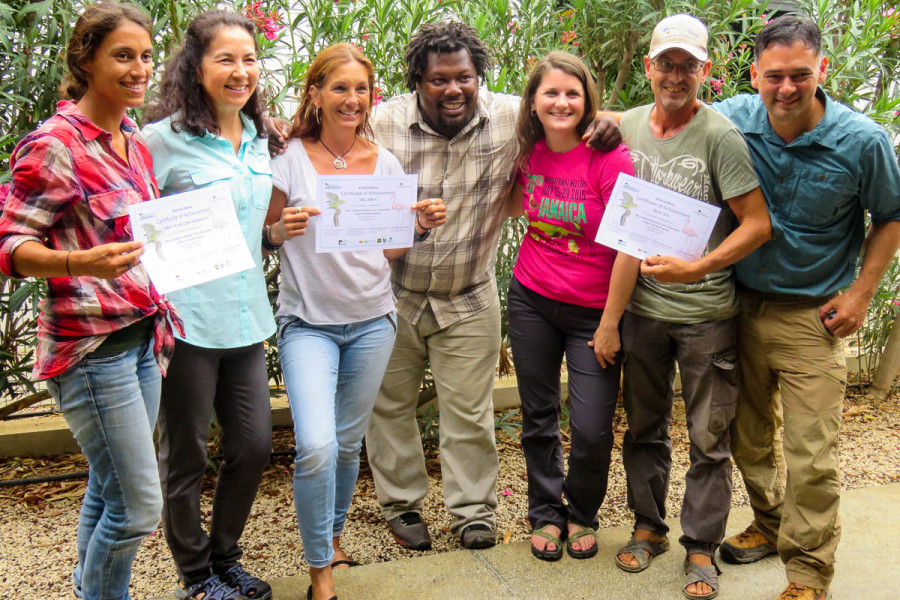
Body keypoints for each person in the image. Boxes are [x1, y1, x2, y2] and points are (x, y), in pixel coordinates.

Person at [363, 20, 622, 552]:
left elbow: (570, 109)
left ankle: (472, 512)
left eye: (464, 77)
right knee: (388, 407)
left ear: (479, 77)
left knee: (470, 413)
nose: (453, 89)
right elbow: (329, 138)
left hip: (468, 295)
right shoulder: (381, 124)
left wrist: (609, 123)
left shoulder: (510, 118)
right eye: (438, 79)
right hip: (395, 293)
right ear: (417, 80)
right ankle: (403, 504)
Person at [712, 16, 900, 600]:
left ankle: (809, 574)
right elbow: (658, 124)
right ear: (755, 75)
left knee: (812, 453)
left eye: (800, 75)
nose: (786, 88)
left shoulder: (862, 141)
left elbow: (891, 216)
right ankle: (769, 524)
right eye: (774, 76)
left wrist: (861, 294)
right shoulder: (734, 118)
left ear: (821, 70)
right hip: (738, 309)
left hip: (813, 318)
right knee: (746, 438)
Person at [0, 3, 181, 599]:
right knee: (137, 507)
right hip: (92, 351)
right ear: (87, 59)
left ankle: (91, 589)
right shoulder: (55, 145)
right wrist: (77, 262)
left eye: (146, 56)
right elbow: (10, 242)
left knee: (108, 489)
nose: (139, 68)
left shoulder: (130, 137)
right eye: (123, 55)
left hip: (143, 337)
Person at [268, 43, 446, 600]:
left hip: (372, 321)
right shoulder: (289, 158)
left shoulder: (384, 162)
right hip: (308, 323)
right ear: (315, 94)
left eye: (361, 89)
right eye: (339, 88)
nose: (351, 99)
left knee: (347, 446)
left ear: (372, 98)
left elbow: (388, 252)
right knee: (317, 444)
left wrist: (416, 227)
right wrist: (282, 230)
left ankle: (333, 536)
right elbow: (264, 238)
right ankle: (320, 569)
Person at [142, 11, 307, 600]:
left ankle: (225, 556)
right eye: (226, 59)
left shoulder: (262, 139)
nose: (242, 72)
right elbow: (132, 224)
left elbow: (243, 227)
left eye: (250, 60)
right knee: (184, 456)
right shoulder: (157, 141)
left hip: (244, 317)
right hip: (185, 322)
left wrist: (273, 234)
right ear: (197, 67)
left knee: (254, 445)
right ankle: (195, 576)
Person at [609, 14, 771, 600]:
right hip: (643, 310)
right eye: (666, 63)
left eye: (688, 65)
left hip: (706, 313)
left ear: (706, 71)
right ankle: (648, 527)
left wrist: (699, 267)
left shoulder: (720, 136)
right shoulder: (626, 127)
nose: (676, 75)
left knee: (710, 437)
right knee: (645, 427)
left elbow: (757, 224)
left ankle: (700, 546)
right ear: (649, 68)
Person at [503, 52, 640, 562]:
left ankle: (582, 510)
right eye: (551, 93)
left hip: (593, 311)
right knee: (538, 415)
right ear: (534, 102)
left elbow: (631, 246)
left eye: (572, 94)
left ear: (587, 103)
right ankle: (544, 511)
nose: (561, 102)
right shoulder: (526, 150)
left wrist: (610, 324)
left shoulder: (611, 158)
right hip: (532, 298)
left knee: (590, 427)